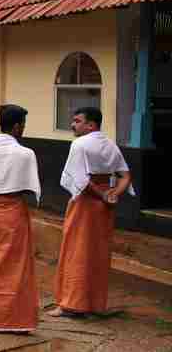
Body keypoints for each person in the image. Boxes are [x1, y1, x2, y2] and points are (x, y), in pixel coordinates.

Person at [50, 106, 133, 318]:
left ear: (91, 125)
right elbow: (125, 176)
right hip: (105, 206)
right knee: (98, 252)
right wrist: (113, 194)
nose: (72, 124)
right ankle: (94, 304)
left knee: (75, 250)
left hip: (87, 202)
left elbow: (81, 180)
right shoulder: (111, 145)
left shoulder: (80, 144)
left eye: (77, 121)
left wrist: (102, 195)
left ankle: (70, 304)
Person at [0, 104, 42, 333]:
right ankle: (16, 319)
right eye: (23, 125)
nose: (23, 129)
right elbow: (32, 189)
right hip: (14, 211)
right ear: (16, 126)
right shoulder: (25, 153)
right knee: (17, 266)